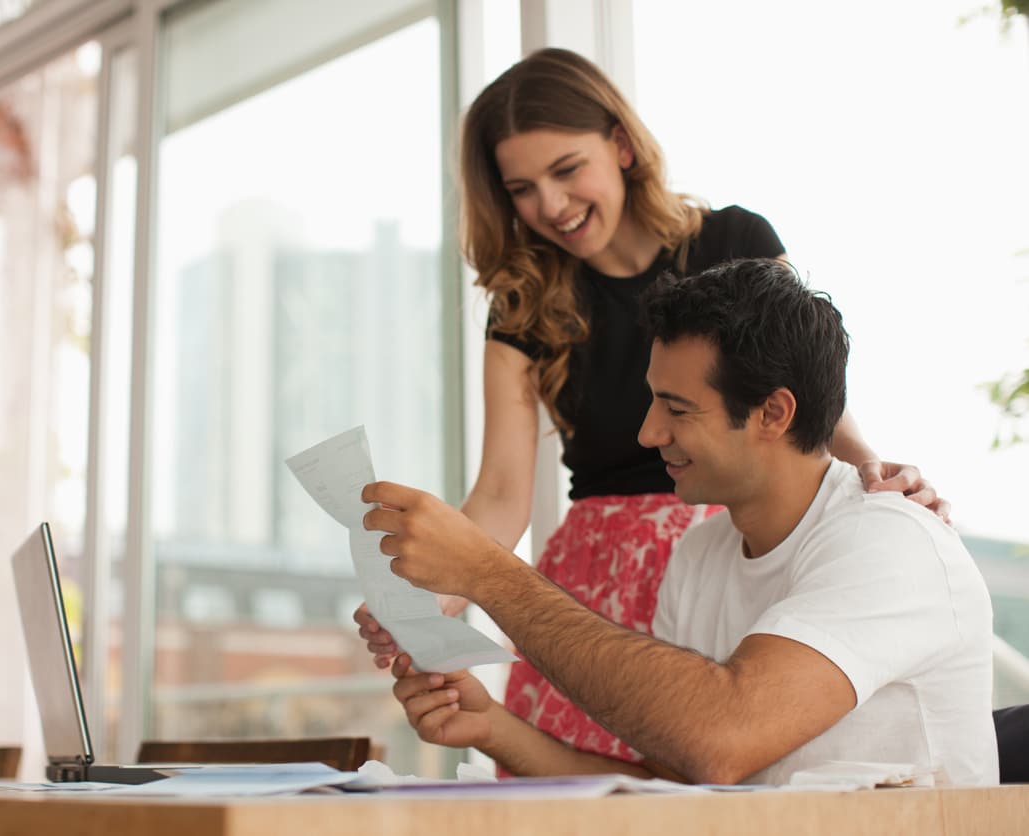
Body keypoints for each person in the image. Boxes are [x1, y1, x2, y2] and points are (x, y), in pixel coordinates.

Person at [354, 46, 948, 769]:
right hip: (591, 582)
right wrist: (427, 598)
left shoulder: (735, 243)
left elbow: (809, 401)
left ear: (622, 146)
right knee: (575, 796)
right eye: (522, 188)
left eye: (566, 170)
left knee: (714, 768)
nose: (550, 205)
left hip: (729, 545)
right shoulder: (525, 299)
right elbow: (503, 493)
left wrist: (876, 479)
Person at [364, 259, 997, 785]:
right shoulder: (701, 554)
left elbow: (721, 738)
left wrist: (488, 573)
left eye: (677, 408)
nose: (648, 432)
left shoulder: (890, 541)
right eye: (652, 400)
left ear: (773, 413)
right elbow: (678, 791)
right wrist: (494, 731)